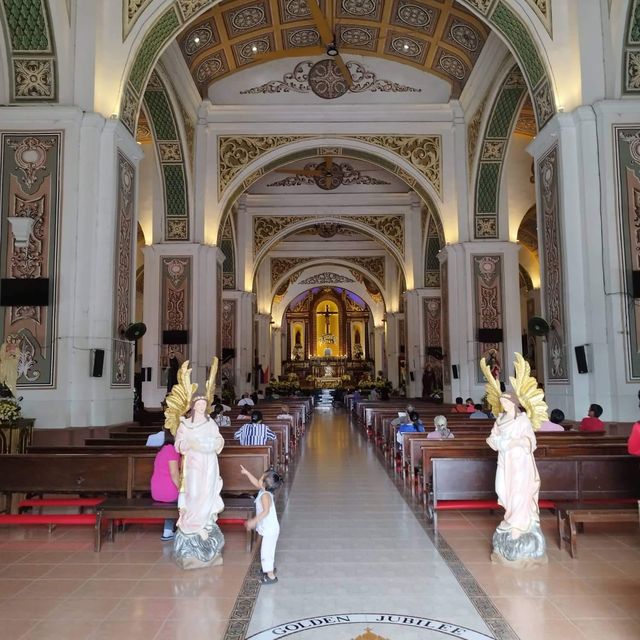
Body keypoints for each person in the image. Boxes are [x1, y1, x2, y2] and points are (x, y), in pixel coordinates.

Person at [173, 396, 225, 569]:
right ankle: (192, 525)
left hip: (209, 462)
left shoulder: (211, 423)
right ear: (193, 407)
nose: (202, 407)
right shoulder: (185, 424)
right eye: (199, 405)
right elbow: (178, 445)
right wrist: (190, 443)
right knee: (193, 493)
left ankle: (205, 524)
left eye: (204, 404)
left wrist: (216, 442)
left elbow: (219, 440)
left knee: (207, 492)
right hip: (194, 462)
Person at [486, 392, 541, 537]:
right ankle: (510, 515)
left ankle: (518, 522)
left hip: (519, 460)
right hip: (504, 458)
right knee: (501, 488)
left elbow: (531, 441)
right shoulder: (500, 419)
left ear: (513, 403)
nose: (503, 404)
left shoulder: (522, 420)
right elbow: (492, 437)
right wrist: (496, 442)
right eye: (502, 402)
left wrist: (513, 442)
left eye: (506, 402)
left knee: (518, 489)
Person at [240, 466, 282, 584]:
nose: (258, 479)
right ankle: (267, 568)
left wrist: (254, 521)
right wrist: (247, 472)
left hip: (270, 529)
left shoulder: (265, 495)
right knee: (267, 550)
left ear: (264, 484)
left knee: (266, 551)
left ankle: (271, 576)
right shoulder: (264, 490)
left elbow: (266, 511)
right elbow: (256, 483)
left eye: (260, 478)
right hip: (269, 528)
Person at [150, 430, 181, 541]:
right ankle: (185, 530)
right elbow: (174, 473)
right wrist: (181, 489)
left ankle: (168, 531)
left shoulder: (163, 449)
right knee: (189, 496)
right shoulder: (171, 449)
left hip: (157, 490)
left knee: (177, 498)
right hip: (167, 490)